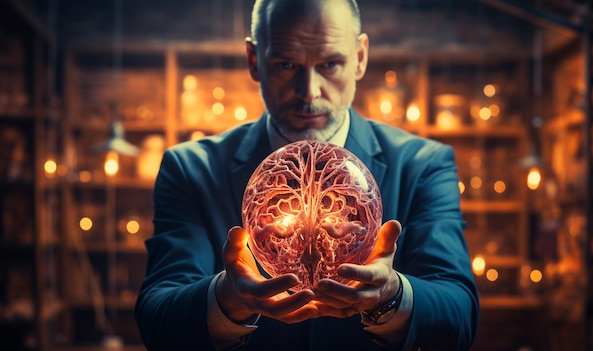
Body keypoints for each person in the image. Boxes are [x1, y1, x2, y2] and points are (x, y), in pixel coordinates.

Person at [135, 0, 479, 350]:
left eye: (330, 64)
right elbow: (157, 320)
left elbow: (459, 317)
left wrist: (392, 296)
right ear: (254, 60)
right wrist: (227, 299)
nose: (309, 91)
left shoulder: (423, 165)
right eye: (286, 64)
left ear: (360, 57)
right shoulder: (191, 169)